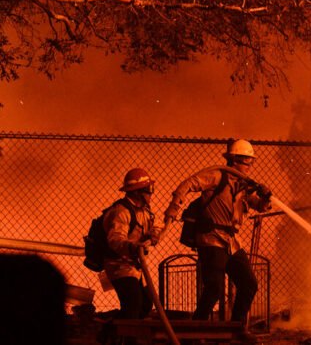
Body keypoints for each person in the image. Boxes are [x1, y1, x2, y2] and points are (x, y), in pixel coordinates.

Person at [163, 139, 271, 341]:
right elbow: (187, 184)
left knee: (249, 283)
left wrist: (265, 197)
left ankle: (237, 329)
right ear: (235, 160)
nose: (249, 167)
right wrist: (174, 207)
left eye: (251, 163)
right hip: (211, 239)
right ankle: (195, 332)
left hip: (230, 242)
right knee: (214, 288)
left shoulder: (243, 186)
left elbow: (261, 206)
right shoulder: (216, 175)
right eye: (247, 162)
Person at [101, 168, 161, 345]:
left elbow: (151, 227)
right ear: (137, 192)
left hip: (135, 265)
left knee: (145, 305)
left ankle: (109, 328)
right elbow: (115, 240)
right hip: (118, 265)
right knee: (133, 303)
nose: (151, 194)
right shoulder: (121, 212)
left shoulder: (145, 211)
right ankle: (128, 341)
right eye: (149, 190)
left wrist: (154, 234)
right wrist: (133, 247)